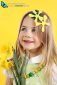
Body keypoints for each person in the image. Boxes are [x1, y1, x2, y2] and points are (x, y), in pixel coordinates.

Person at [5, 10, 57, 85]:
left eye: (34, 30)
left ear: (45, 35)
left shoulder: (51, 67)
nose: (27, 34)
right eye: (23, 29)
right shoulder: (13, 64)